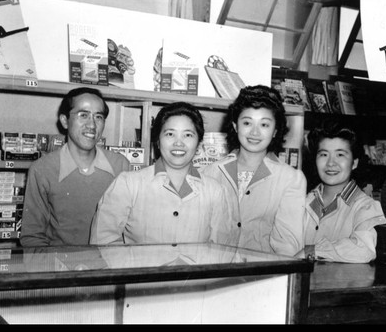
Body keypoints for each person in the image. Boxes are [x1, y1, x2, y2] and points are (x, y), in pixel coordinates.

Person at [89, 102, 234, 245]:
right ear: (157, 141)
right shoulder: (128, 184)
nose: (179, 143)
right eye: (170, 134)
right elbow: (103, 243)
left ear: (199, 144)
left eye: (188, 135)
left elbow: (221, 252)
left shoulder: (215, 192)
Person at [202, 85, 307, 256]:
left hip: (263, 274)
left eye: (264, 124)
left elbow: (289, 245)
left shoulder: (291, 179)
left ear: (275, 131)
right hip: (216, 274)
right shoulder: (211, 172)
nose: (255, 132)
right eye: (247, 123)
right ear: (236, 126)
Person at [20, 87, 130, 247]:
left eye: (98, 117)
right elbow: (32, 236)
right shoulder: (43, 169)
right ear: (65, 121)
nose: (92, 124)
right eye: (83, 115)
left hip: (108, 267)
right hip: (61, 267)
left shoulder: (120, 165)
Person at [295, 120, 386, 263]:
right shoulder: (302, 201)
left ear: (355, 163)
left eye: (340, 155)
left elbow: (364, 249)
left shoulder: (366, 207)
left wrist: (313, 251)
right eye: (324, 154)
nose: (331, 163)